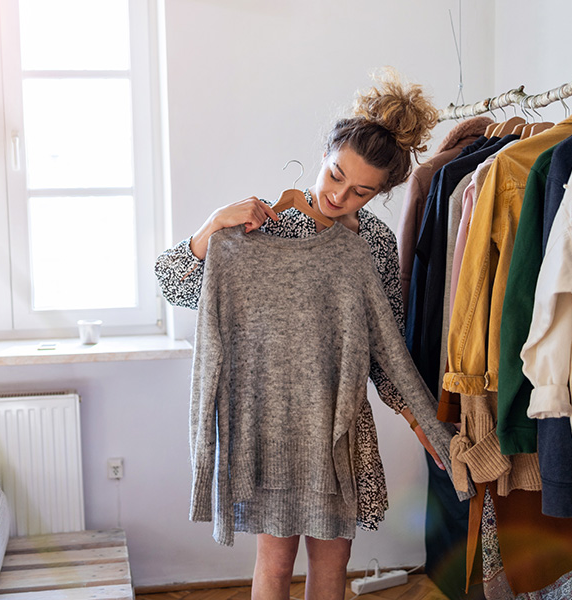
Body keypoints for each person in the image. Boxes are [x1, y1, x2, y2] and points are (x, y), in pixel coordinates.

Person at [155, 69, 443, 600]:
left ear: (380, 194)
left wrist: (424, 423)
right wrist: (210, 227)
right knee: (274, 560)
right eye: (335, 176)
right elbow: (171, 282)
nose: (339, 196)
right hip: (272, 421)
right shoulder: (256, 226)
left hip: (339, 422)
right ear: (325, 154)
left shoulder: (373, 245)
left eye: (361, 192)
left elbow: (385, 348)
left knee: (333, 559)